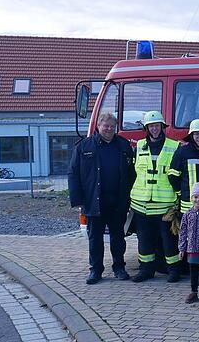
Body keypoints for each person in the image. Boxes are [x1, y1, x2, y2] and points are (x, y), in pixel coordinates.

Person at [69, 112, 136, 285]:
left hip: (117, 201)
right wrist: (78, 201)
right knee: (95, 238)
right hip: (93, 201)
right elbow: (73, 173)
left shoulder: (123, 145)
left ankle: (119, 268)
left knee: (118, 238)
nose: (109, 129)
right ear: (98, 126)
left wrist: (129, 197)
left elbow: (132, 173)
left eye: (112, 126)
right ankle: (95, 270)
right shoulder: (84, 146)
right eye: (106, 126)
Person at [130, 111, 182, 283]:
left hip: (164, 204)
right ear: (147, 128)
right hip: (141, 202)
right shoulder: (139, 146)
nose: (154, 129)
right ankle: (146, 270)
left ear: (162, 127)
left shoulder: (174, 146)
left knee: (168, 240)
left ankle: (173, 270)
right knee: (144, 239)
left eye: (157, 125)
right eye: (151, 126)